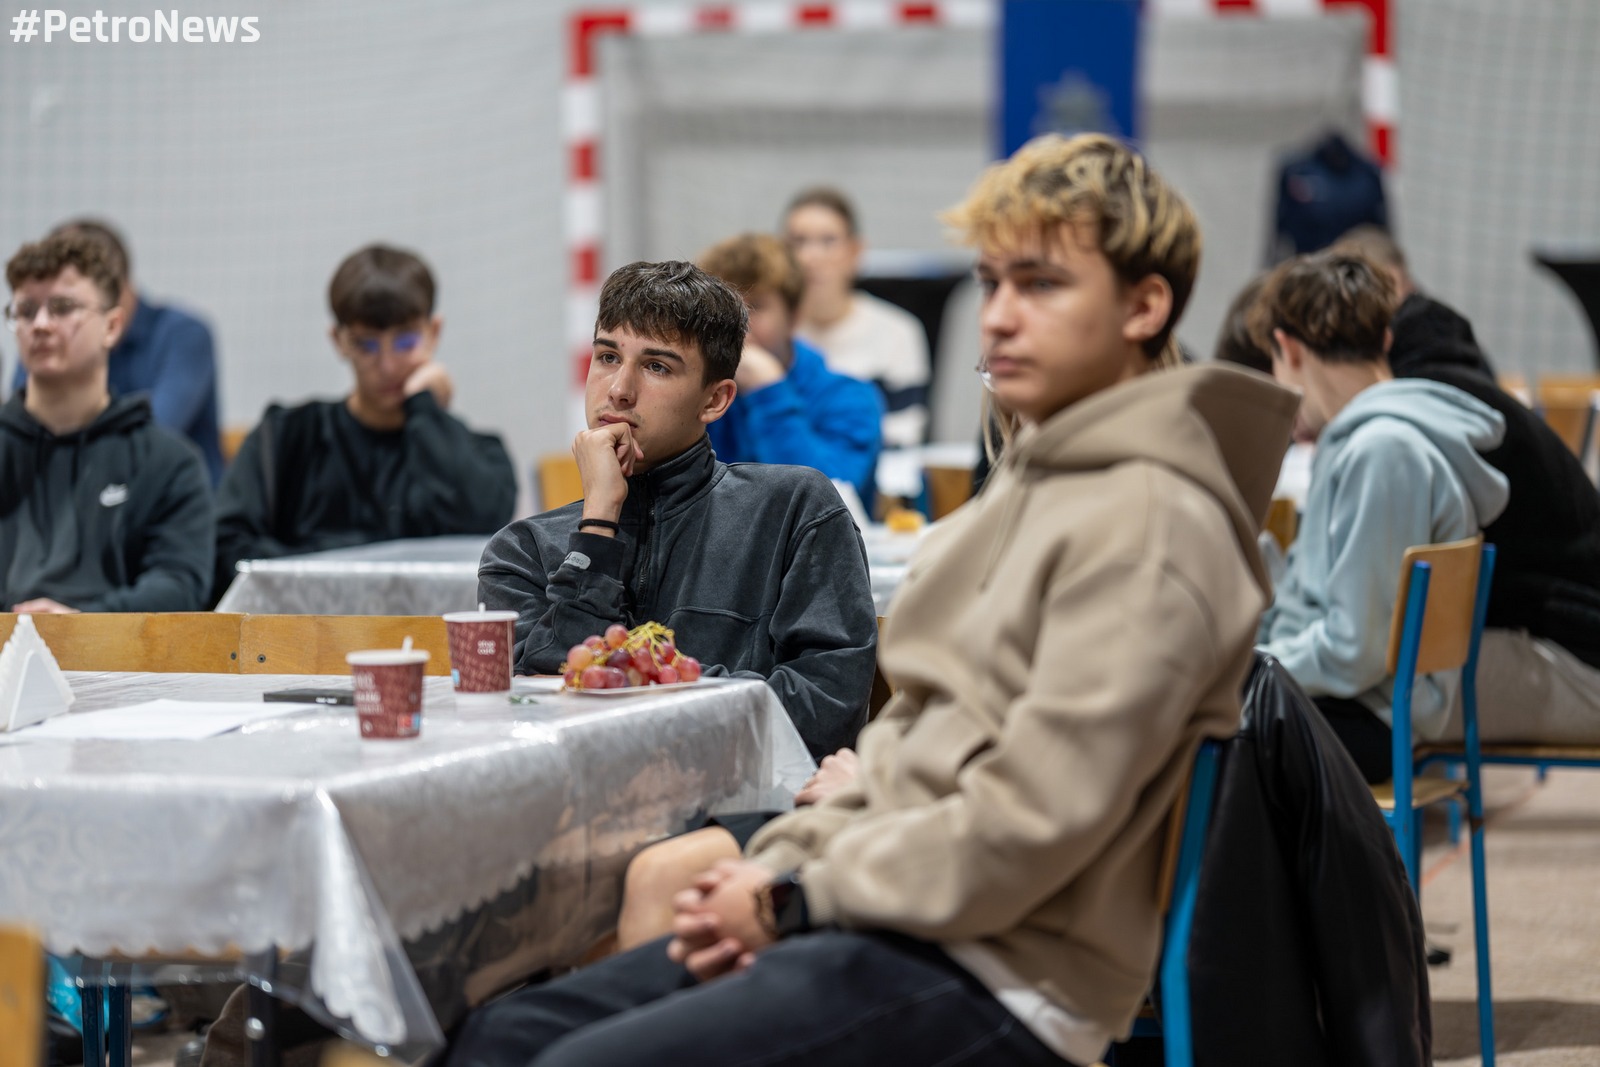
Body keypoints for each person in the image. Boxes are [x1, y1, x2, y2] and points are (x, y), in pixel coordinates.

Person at [443, 133, 1298, 1067]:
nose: (1000, 316)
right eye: (993, 282)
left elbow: (1026, 828)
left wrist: (792, 893)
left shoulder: (1154, 519)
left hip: (998, 974)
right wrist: (793, 858)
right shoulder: (1038, 490)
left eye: (1042, 284)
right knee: (498, 1033)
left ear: (1143, 306)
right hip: (891, 912)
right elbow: (916, 759)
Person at [478, 260, 878, 760]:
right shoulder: (523, 550)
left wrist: (642, 687)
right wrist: (598, 524)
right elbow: (539, 719)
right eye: (607, 357)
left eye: (657, 367)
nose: (619, 389)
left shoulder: (794, 509)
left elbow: (825, 713)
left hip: (744, 801)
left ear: (715, 400)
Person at [1326, 232, 1600, 747]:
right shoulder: (1452, 379)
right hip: (1566, 639)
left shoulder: (1416, 419)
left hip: (1578, 660)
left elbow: (1370, 616)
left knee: (1327, 712)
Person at [1252, 251, 1510, 782]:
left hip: (1367, 717)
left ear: (1288, 347)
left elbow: (1355, 650)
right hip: (1355, 703)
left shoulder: (1382, 451)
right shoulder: (1367, 441)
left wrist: (1251, 664)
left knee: (1185, 728)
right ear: (1385, 340)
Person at [212, 244, 516, 600]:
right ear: (338, 340)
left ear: (434, 332)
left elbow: (484, 537)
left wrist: (426, 410)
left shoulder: (481, 454)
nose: (387, 365)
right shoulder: (283, 439)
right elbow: (226, 551)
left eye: (405, 341)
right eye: (366, 345)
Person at [1, 230, 213, 612]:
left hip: (113, 648)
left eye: (62, 307)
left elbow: (178, 585)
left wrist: (83, 624)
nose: (41, 324)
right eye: (26, 311)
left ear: (112, 326)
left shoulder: (169, 462)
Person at [12, 220, 225, 484]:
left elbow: (153, 437)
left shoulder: (182, 334)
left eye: (65, 305)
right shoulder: (44, 337)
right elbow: (22, 428)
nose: (44, 323)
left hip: (165, 497)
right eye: (31, 309)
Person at [695, 232, 882, 502]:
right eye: (724, 306)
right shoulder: (699, 391)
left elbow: (825, 501)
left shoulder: (851, 398)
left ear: (794, 317)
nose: (735, 322)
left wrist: (768, 392)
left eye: (755, 306)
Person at [784, 187, 932, 449]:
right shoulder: (769, 331)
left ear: (855, 252)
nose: (810, 257)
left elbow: (905, 432)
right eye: (798, 242)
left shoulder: (899, 331)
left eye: (828, 241)